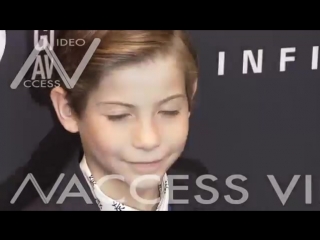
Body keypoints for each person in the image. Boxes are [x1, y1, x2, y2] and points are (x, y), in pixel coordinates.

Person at [17, 30, 214, 211]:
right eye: (118, 116)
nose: (149, 140)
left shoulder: (203, 191)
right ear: (68, 110)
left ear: (189, 98)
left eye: (169, 111)